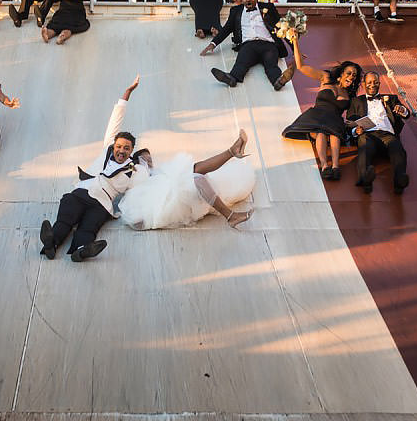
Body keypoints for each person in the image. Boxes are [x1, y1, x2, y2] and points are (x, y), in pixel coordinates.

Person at [39, 76, 148, 262]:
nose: (121, 150)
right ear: (115, 145)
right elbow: (116, 119)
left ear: (132, 151)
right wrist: (127, 93)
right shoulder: (107, 149)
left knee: (89, 227)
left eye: (126, 148)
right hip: (84, 191)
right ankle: (51, 243)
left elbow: (138, 195)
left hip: (102, 203)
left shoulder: (134, 171)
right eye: (119, 146)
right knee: (66, 217)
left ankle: (81, 251)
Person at [119, 130, 254, 230]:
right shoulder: (135, 175)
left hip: (174, 196)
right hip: (166, 205)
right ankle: (232, 152)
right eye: (145, 158)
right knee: (195, 174)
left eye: (149, 158)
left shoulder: (156, 173)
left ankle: (231, 216)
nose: (149, 161)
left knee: (196, 176)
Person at [282, 36, 362, 180]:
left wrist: (354, 123)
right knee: (321, 132)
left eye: (354, 76)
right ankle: (325, 165)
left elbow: (354, 114)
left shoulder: (350, 95)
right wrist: (295, 42)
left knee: (334, 134)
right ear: (341, 73)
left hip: (335, 122)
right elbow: (301, 67)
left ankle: (336, 166)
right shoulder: (326, 78)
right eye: (349, 73)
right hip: (316, 118)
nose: (351, 77)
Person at [201, 0, 292, 91]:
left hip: (268, 44)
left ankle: (278, 80)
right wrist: (213, 44)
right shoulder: (236, 11)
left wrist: (294, 48)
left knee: (271, 65)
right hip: (248, 45)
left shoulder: (268, 7)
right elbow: (226, 29)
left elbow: (282, 26)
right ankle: (231, 78)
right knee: (241, 62)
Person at [346, 71, 410, 194]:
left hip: (388, 135)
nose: (372, 85)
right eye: (369, 82)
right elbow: (350, 123)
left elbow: (406, 114)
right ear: (364, 84)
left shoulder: (391, 98)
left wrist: (402, 110)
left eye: (375, 82)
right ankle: (365, 179)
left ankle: (399, 182)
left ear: (379, 84)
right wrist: (356, 131)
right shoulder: (356, 101)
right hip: (367, 134)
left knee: (398, 150)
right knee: (364, 148)